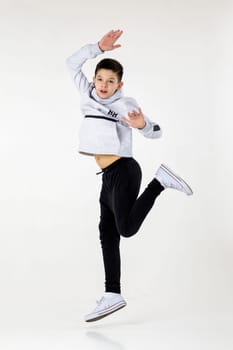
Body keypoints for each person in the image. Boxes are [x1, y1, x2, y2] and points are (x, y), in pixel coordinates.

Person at [66, 29, 193, 322]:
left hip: (124, 170)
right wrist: (96, 47)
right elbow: (70, 64)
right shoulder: (87, 94)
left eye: (111, 81)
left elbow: (156, 132)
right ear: (94, 78)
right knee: (106, 233)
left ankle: (159, 182)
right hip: (107, 175)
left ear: (119, 84)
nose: (103, 85)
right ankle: (113, 293)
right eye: (100, 79)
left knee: (125, 229)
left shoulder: (125, 103)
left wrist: (142, 123)